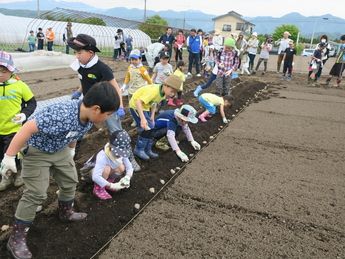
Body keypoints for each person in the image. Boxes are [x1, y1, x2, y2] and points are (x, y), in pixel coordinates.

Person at [0, 82, 120, 259]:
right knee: (37, 193)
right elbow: (26, 128)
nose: (108, 118)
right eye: (108, 114)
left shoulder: (88, 118)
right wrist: (9, 156)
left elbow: (75, 133)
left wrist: (71, 149)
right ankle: (16, 238)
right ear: (96, 109)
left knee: (71, 179)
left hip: (60, 148)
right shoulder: (61, 114)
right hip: (37, 150)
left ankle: (66, 212)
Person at [67, 34, 141, 172]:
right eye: (75, 53)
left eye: (79, 53)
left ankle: (130, 159)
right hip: (88, 104)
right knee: (78, 129)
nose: (77, 56)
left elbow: (115, 87)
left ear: (90, 52)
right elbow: (84, 81)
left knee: (117, 133)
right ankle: (72, 155)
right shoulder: (81, 65)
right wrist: (78, 91)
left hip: (105, 103)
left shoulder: (102, 68)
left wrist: (119, 106)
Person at [0, 51, 37, 191]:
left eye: (4, 71)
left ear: (11, 71)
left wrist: (23, 115)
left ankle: (21, 172)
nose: (1, 74)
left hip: (14, 129)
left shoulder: (19, 85)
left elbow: (32, 103)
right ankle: (7, 176)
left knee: (14, 153)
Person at [129, 74, 182, 160]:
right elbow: (138, 102)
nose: (172, 95)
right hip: (136, 106)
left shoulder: (163, 93)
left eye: (174, 93)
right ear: (165, 85)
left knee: (152, 127)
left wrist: (152, 116)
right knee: (147, 128)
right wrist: (142, 119)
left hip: (145, 106)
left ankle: (148, 149)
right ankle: (138, 149)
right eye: (171, 91)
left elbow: (154, 103)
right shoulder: (154, 91)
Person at [81, 130, 134, 200]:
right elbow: (96, 177)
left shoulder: (122, 152)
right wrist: (112, 186)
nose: (120, 155)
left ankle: (107, 182)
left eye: (122, 153)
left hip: (103, 173)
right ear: (111, 145)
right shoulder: (102, 156)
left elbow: (129, 167)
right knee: (106, 168)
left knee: (121, 167)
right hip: (90, 173)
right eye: (117, 153)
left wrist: (127, 177)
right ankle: (98, 189)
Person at [123, 49, 153, 127]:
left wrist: (152, 87)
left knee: (140, 106)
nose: (133, 61)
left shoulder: (142, 69)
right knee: (132, 106)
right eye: (132, 59)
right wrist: (124, 86)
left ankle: (143, 119)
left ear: (140, 59)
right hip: (131, 90)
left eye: (135, 59)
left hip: (140, 91)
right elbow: (127, 77)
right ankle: (135, 119)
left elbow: (148, 79)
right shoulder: (130, 68)